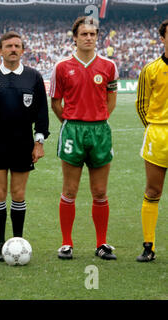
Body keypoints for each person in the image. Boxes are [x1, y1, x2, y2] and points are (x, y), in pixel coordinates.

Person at [0, 31, 49, 261]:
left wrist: (39, 142)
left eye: (17, 46)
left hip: (23, 140)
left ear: (23, 50)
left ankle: (17, 241)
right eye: (8, 46)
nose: (13, 49)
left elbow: (42, 114)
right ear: (0, 50)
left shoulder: (33, 77)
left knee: (18, 194)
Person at [50, 16, 119, 260]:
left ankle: (101, 244)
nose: (89, 37)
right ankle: (66, 243)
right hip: (73, 131)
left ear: (97, 37)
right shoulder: (62, 67)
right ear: (75, 37)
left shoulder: (108, 66)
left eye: (92, 34)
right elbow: (55, 102)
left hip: (100, 130)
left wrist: (98, 118)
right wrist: (70, 122)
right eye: (84, 34)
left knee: (100, 191)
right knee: (70, 189)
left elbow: (111, 99)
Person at [135, 20, 168, 262]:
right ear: (163, 39)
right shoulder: (151, 69)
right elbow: (142, 105)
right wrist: (155, 127)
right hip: (158, 134)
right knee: (153, 190)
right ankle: (149, 246)